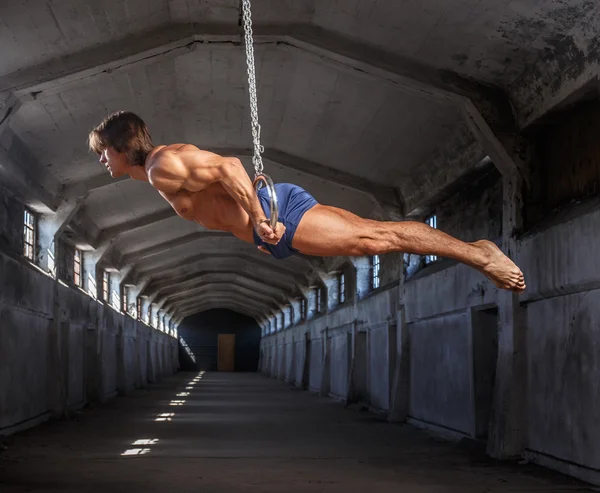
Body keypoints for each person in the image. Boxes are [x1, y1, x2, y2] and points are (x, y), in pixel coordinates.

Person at [88, 111, 526, 293]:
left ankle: (478, 254)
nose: (101, 160)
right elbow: (223, 179)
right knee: (374, 238)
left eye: (102, 151)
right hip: (273, 224)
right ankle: (476, 253)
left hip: (276, 216)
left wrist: (259, 218)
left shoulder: (162, 167)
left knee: (376, 239)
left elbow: (228, 167)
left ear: (121, 145)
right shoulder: (158, 170)